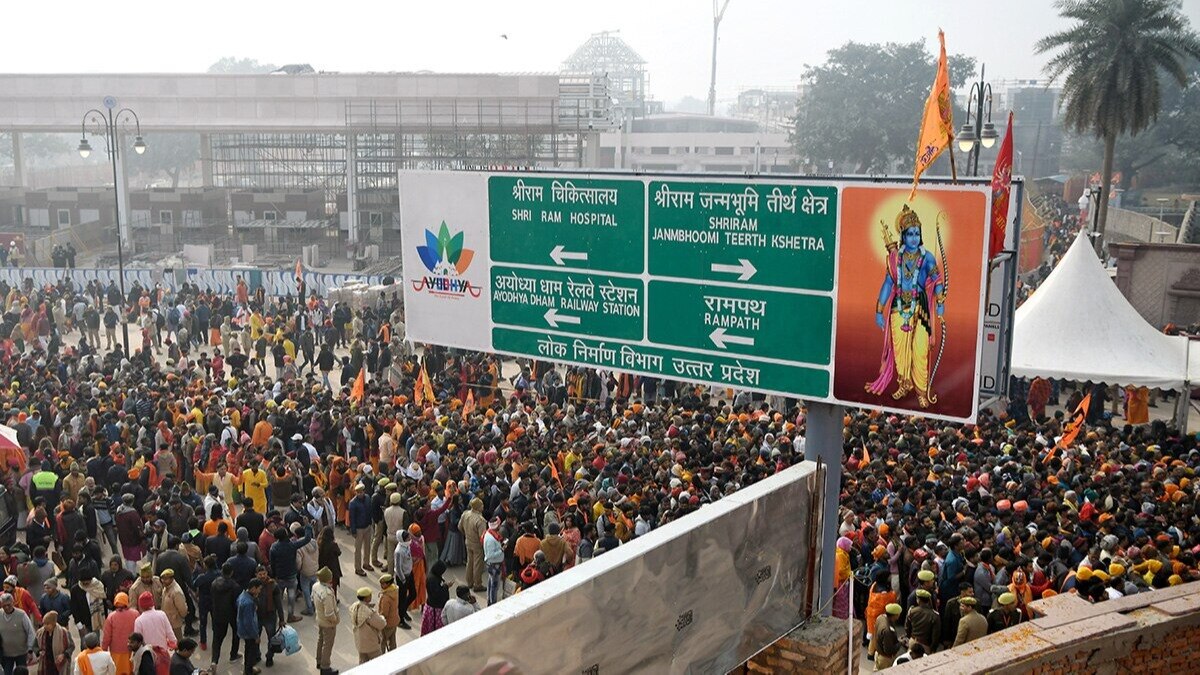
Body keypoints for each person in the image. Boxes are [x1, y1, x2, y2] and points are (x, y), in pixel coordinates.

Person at [865, 204, 946, 409]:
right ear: (903, 235)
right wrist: (878, 310)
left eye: (917, 233)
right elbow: (888, 283)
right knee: (900, 353)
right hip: (898, 309)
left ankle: (921, 391)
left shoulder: (927, 257)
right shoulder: (895, 259)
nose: (914, 238)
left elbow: (937, 280)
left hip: (921, 309)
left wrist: (940, 300)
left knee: (920, 351)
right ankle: (904, 383)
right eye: (910, 234)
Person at [208, 564, 241, 670]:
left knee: (217, 638)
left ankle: (214, 661)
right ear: (231, 572)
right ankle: (233, 655)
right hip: (232, 613)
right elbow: (237, 602)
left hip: (218, 613)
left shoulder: (214, 583)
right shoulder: (235, 586)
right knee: (236, 633)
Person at [100, 593, 137, 675]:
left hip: (116, 652)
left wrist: (103, 650)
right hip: (132, 651)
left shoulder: (111, 617)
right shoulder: (135, 614)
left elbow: (106, 637)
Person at [0, 592, 36, 675]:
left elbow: (31, 632)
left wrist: (30, 650)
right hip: (6, 654)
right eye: (4, 605)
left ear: (13, 603)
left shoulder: (21, 614)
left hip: (21, 653)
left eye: (9, 605)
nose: (6, 607)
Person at [311, 568, 338, 675]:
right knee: (328, 644)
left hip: (320, 618)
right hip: (328, 623)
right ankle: (325, 667)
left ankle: (319, 661)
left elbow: (312, 599)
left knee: (321, 640)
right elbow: (329, 613)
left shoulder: (315, 586)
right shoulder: (327, 593)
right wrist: (335, 620)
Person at [349, 588, 385, 664]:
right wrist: (382, 617)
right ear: (366, 598)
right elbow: (381, 624)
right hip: (371, 644)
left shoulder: (354, 607)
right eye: (369, 595)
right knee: (378, 664)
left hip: (360, 644)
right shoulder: (368, 613)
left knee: (363, 664)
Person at [458, 499, 487, 593]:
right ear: (478, 507)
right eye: (482, 505)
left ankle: (469, 582)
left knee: (469, 562)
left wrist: (466, 534)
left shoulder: (465, 514)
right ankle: (477, 584)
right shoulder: (480, 520)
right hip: (477, 544)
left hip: (468, 541)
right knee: (478, 565)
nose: (483, 507)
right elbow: (482, 536)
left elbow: (459, 527)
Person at [236, 580, 262, 675]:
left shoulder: (242, 595)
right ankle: (248, 671)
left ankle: (248, 669)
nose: (259, 591)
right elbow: (249, 623)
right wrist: (256, 636)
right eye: (259, 589)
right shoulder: (248, 603)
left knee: (248, 649)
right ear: (253, 588)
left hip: (242, 628)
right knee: (251, 652)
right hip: (249, 632)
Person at [904, 589, 940, 654]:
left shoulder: (912, 611)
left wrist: (910, 637)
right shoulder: (935, 615)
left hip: (913, 641)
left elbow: (907, 628)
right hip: (926, 646)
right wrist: (933, 649)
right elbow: (935, 636)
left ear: (918, 600)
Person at [348, 485, 372, 575]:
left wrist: (370, 523)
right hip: (358, 529)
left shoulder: (368, 498)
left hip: (367, 526)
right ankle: (358, 568)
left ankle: (366, 563)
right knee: (358, 549)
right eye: (358, 492)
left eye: (361, 492)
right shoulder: (353, 503)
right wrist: (353, 531)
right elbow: (352, 518)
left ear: (364, 491)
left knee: (367, 547)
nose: (360, 494)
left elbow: (369, 511)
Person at [421, 561, 449, 636]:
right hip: (435, 609)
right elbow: (437, 594)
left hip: (432, 606)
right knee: (435, 631)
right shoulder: (433, 580)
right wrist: (446, 587)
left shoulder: (433, 576)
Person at [158, 570, 187, 644]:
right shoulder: (166, 588)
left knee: (177, 643)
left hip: (175, 624)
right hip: (166, 622)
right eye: (162, 579)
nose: (163, 581)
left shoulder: (176, 592)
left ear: (171, 578)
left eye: (166, 579)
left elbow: (182, 609)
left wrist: (177, 617)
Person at [872, 603, 902, 671]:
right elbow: (889, 650)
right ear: (895, 615)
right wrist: (900, 643)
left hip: (878, 653)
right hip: (885, 659)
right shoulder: (887, 630)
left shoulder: (880, 617)